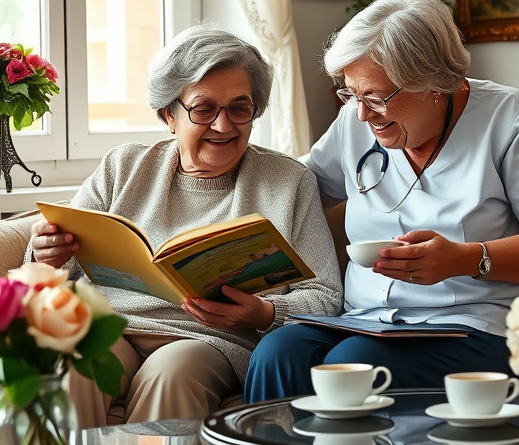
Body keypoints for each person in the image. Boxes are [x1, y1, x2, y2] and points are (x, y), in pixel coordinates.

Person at [244, 0, 519, 403]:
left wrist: (464, 258)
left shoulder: (510, 119)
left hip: (485, 324)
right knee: (277, 353)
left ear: (434, 84)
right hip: (366, 320)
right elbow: (297, 189)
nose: (361, 115)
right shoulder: (357, 121)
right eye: (350, 94)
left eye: (375, 97)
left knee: (357, 362)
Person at [29, 26, 342, 426]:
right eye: (204, 108)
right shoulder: (123, 167)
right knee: (74, 364)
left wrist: (264, 313)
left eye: (240, 108)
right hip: (112, 326)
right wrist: (46, 252)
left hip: (209, 341)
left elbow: (326, 295)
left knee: (172, 373)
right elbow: (55, 260)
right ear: (169, 115)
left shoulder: (289, 183)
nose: (224, 125)